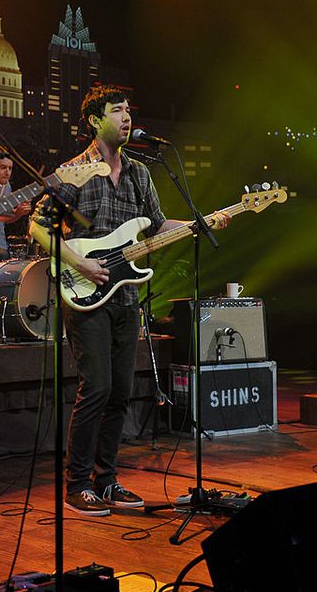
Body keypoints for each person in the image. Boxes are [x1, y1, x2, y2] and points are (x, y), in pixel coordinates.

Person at [39, 84, 229, 516]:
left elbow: (156, 226)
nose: (126, 117)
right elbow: (39, 228)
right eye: (117, 110)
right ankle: (76, 484)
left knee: (121, 392)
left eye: (129, 110)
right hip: (84, 291)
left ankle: (106, 481)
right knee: (97, 387)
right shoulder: (73, 171)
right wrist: (83, 264)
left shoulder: (141, 173)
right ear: (94, 120)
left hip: (126, 295)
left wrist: (203, 222)